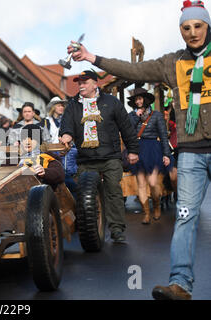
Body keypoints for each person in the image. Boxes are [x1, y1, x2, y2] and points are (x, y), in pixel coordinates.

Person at [67, 0, 211, 300]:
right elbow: (132, 69)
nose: (193, 32)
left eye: (198, 26)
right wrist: (93, 56)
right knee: (185, 216)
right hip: (192, 152)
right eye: (186, 27)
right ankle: (180, 285)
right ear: (181, 30)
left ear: (207, 25)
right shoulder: (173, 63)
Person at [60, 70, 139, 243]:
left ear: (95, 84)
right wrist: (66, 134)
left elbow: (126, 127)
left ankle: (117, 229)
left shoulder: (111, 102)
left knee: (113, 192)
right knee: (84, 195)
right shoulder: (73, 105)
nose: (81, 85)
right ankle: (90, 228)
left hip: (110, 156)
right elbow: (66, 125)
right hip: (85, 158)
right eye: (79, 82)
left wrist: (133, 150)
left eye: (85, 82)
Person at [126, 88, 171, 224]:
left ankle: (156, 206)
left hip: (153, 149)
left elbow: (163, 135)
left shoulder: (156, 115)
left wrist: (166, 154)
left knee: (152, 182)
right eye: (136, 99)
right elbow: (128, 132)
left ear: (145, 100)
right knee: (141, 183)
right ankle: (146, 214)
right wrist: (136, 117)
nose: (138, 101)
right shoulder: (131, 115)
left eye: (140, 98)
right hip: (137, 149)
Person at [19, 124, 65, 190]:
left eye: (31, 139)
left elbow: (59, 173)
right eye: (24, 139)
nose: (27, 142)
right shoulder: (18, 159)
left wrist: (45, 172)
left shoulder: (48, 156)